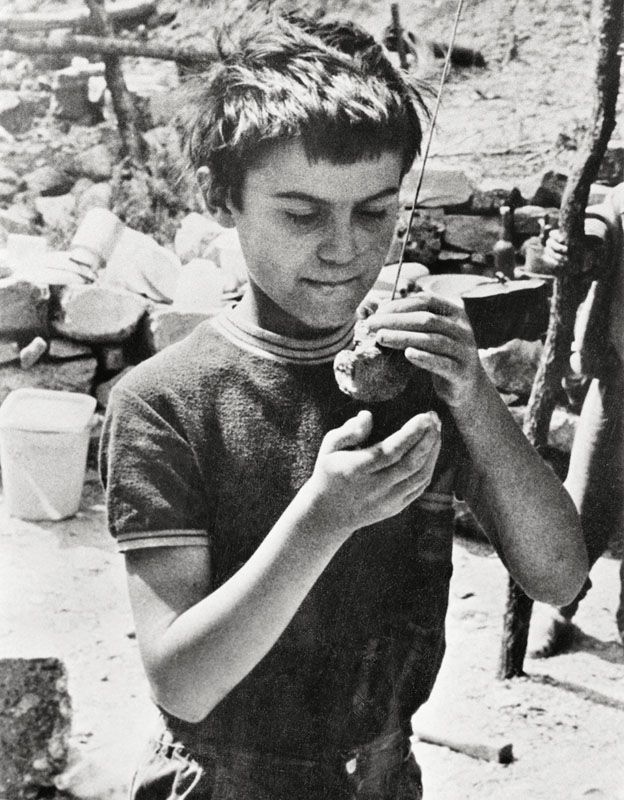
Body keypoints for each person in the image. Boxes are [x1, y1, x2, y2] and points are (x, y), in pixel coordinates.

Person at [99, 12, 587, 798]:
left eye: (375, 212)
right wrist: (322, 518)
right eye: (301, 214)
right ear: (224, 197)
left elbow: (560, 575)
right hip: (228, 780)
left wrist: (476, 395)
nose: (345, 248)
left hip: (384, 773)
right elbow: (181, 683)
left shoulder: (419, 375)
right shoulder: (165, 404)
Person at [529, 184, 624, 658]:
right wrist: (569, 245)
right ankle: (560, 611)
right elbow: (597, 236)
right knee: (586, 504)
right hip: (620, 387)